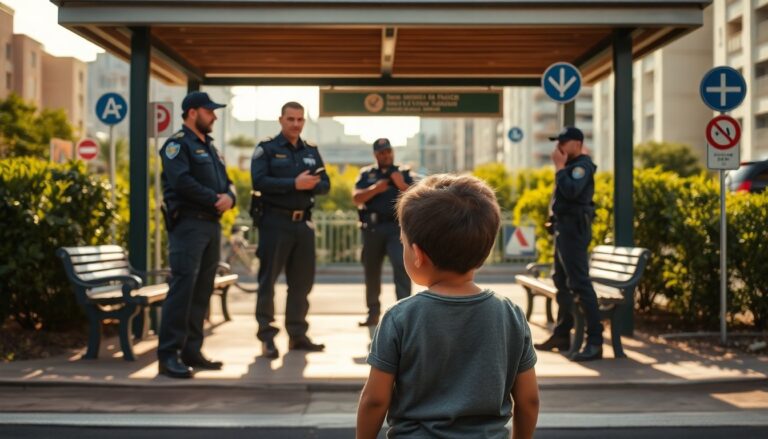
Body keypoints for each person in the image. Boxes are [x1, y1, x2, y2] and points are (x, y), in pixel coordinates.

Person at [356, 174, 540, 439]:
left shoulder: (400, 317)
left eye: (403, 243)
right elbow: (529, 400)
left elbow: (374, 400)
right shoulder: (509, 314)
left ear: (418, 255)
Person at [157, 91, 235, 379]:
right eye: (209, 111)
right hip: (189, 225)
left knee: (202, 290)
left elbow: (229, 182)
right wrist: (215, 198)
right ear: (192, 112)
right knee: (182, 290)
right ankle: (168, 355)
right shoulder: (177, 145)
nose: (214, 115)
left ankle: (192, 350)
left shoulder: (211, 147)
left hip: (211, 225)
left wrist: (230, 197)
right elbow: (181, 181)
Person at [251, 101, 330, 359]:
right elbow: (259, 181)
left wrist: (311, 185)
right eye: (291, 119)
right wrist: (295, 183)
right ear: (281, 120)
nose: (295, 124)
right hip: (275, 222)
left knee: (302, 284)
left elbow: (325, 183)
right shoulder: (267, 149)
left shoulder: (311, 150)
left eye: (300, 120)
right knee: (268, 282)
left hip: (303, 224)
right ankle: (267, 337)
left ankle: (297, 335)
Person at [534, 126, 603, 362]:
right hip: (563, 230)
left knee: (580, 283)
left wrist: (559, 168)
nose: (559, 147)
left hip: (574, 230)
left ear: (577, 143)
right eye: (557, 142)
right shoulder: (571, 167)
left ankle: (595, 341)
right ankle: (563, 334)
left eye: (563, 142)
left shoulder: (581, 167)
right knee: (561, 281)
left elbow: (572, 192)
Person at [353, 138, 413, 327]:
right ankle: (373, 313)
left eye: (388, 151)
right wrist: (376, 188)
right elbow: (356, 198)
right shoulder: (367, 173)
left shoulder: (403, 172)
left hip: (396, 230)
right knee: (371, 271)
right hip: (373, 229)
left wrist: (401, 184)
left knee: (401, 268)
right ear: (375, 155)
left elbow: (417, 197)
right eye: (381, 153)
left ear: (392, 152)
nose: (385, 155)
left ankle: (403, 315)